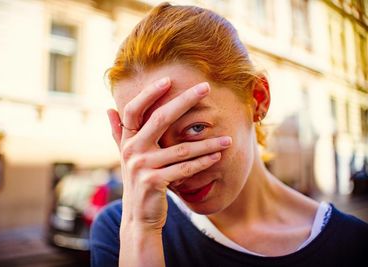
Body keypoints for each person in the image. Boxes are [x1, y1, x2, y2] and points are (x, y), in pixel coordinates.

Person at [90, 3, 368, 267]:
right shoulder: (121, 230)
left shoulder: (353, 245)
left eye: (195, 128)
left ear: (257, 98)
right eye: (152, 140)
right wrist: (140, 229)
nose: (177, 172)